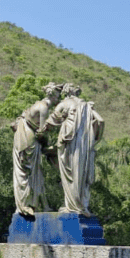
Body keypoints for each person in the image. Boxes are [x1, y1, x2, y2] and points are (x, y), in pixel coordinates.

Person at [39, 83, 104, 216]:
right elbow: (101, 121)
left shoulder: (65, 103)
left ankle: (72, 206)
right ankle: (81, 205)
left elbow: (51, 121)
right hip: (84, 145)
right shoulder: (87, 106)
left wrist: (40, 131)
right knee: (81, 174)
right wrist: (96, 140)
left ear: (66, 92)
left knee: (70, 174)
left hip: (68, 142)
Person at [11, 83, 61, 216]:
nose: (59, 99)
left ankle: (38, 205)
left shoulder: (38, 104)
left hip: (24, 136)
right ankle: (25, 205)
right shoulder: (43, 108)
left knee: (34, 172)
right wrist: (50, 147)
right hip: (29, 139)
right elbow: (41, 132)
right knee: (30, 172)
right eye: (58, 96)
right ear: (52, 96)